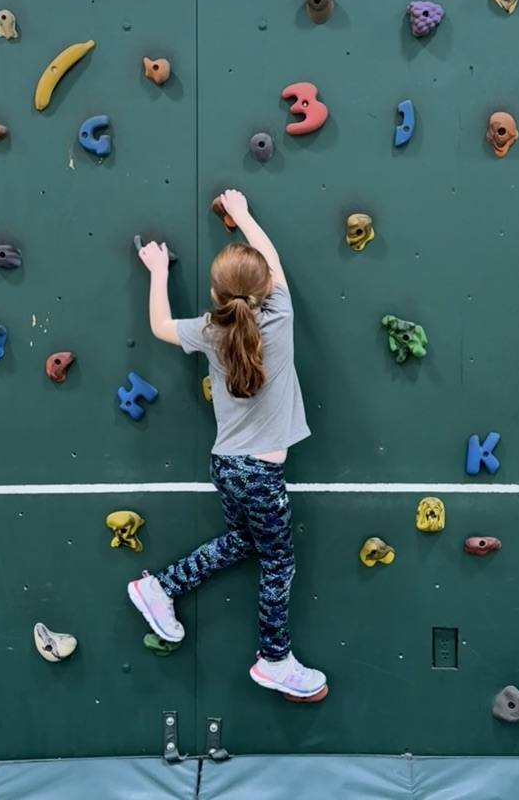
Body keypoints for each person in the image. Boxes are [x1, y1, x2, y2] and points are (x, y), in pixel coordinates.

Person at [127, 189, 326, 699]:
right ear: (264, 290)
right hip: (260, 475)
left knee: (243, 543)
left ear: (217, 296)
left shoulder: (210, 331)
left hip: (226, 467)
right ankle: (274, 659)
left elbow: (158, 326)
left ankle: (161, 586)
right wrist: (241, 215)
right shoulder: (280, 316)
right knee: (278, 563)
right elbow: (274, 261)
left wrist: (157, 273)